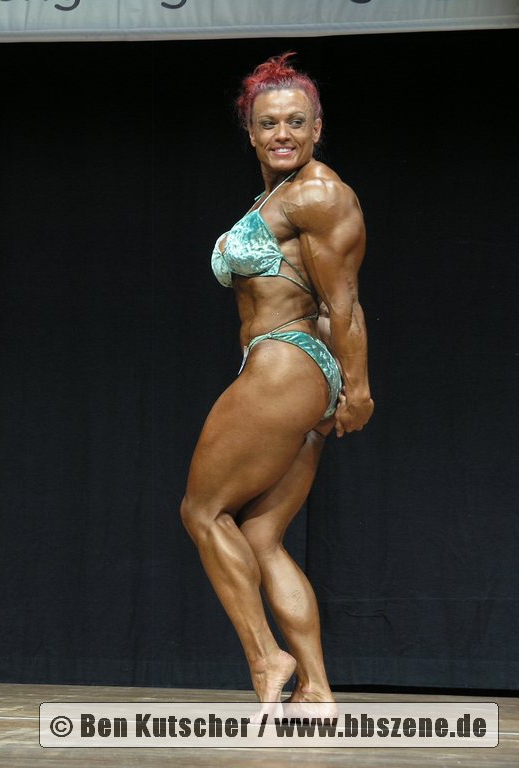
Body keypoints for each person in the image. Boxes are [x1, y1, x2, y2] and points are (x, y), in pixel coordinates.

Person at [180, 53, 373, 716]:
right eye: (269, 123)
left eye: (296, 121)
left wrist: (358, 391)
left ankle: (268, 657)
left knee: (202, 513)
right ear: (251, 132)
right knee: (260, 538)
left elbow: (344, 303)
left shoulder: (318, 194)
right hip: (298, 368)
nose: (282, 133)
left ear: (318, 128)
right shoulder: (278, 197)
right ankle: (316, 688)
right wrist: (339, 385)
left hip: (287, 360)